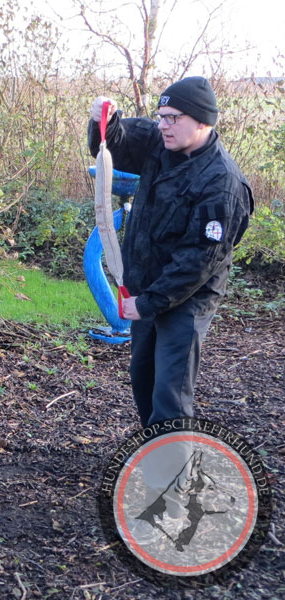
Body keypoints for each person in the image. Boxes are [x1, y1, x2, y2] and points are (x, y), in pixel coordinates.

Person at [88, 76, 254, 428]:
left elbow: (197, 263)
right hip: (147, 287)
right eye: (161, 115)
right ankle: (157, 458)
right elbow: (112, 143)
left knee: (169, 391)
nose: (163, 125)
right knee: (143, 377)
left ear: (203, 121)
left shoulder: (222, 184)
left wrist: (146, 303)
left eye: (173, 117)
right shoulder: (160, 143)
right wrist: (104, 118)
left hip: (188, 299)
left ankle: (173, 479)